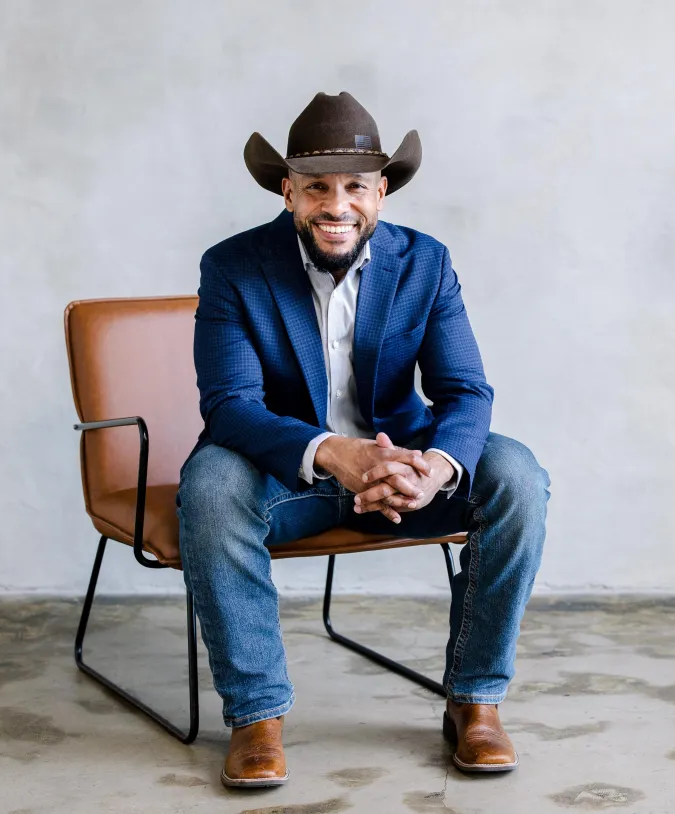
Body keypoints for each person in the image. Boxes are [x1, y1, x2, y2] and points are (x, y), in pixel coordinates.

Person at [177, 91, 550, 789]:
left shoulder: (426, 264)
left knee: (517, 476)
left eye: (355, 186)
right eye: (317, 187)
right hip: (289, 480)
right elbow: (230, 406)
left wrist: (434, 470)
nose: (336, 204)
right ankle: (256, 716)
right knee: (211, 483)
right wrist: (332, 453)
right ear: (288, 192)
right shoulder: (233, 266)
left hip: (405, 472)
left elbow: (466, 392)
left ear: (382, 193)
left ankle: (476, 701)